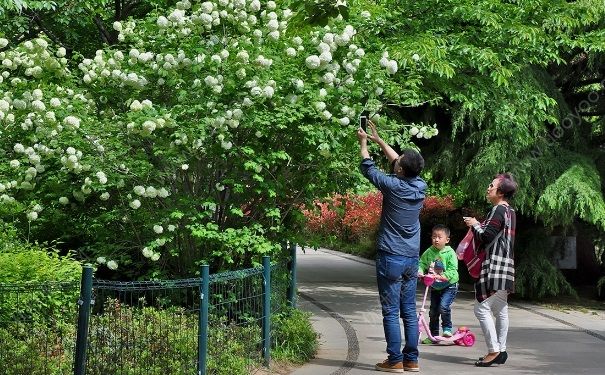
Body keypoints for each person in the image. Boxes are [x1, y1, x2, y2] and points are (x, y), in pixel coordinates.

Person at [358, 120, 426, 373]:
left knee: (389, 311)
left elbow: (368, 166)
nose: (396, 161)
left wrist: (364, 143)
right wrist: (380, 140)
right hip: (411, 257)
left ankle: (394, 360)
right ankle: (411, 360)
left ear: (399, 170)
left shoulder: (392, 185)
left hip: (391, 257)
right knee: (408, 309)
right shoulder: (420, 185)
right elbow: (402, 163)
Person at [463, 173, 517, 367]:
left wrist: (475, 224)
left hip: (493, 264)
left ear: (500, 192)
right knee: (501, 308)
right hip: (506, 265)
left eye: (492, 186)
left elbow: (487, 236)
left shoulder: (497, 210)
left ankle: (493, 350)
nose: (488, 188)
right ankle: (501, 350)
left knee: (481, 308)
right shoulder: (510, 211)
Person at [417, 224, 459, 343]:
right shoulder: (429, 251)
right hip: (435, 286)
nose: (436, 239)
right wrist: (420, 272)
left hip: (449, 285)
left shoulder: (450, 252)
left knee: (443, 307)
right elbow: (422, 263)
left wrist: (442, 276)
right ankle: (433, 335)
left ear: (447, 240)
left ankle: (447, 329)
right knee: (433, 311)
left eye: (439, 237)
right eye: (434, 236)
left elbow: (453, 269)